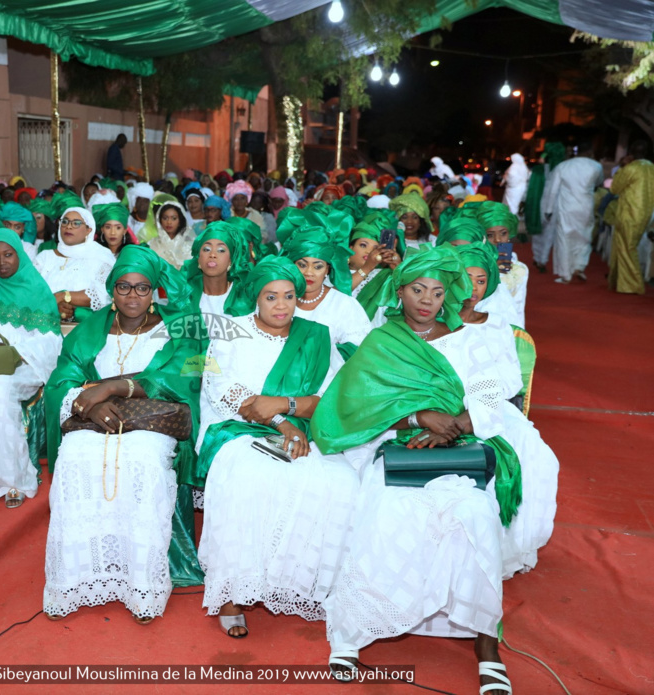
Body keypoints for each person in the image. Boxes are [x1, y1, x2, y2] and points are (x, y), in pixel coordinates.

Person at [311, 246, 518, 694]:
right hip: (395, 448)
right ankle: (353, 631)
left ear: (448, 295)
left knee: (475, 516)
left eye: (437, 291)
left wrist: (454, 426)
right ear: (400, 290)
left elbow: (489, 397)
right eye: (417, 289)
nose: (426, 300)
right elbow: (352, 407)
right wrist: (417, 418)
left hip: (457, 450)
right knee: (386, 513)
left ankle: (486, 644)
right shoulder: (382, 342)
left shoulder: (465, 338)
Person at [195, 257, 357, 638]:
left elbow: (332, 396)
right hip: (238, 429)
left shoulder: (316, 336)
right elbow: (224, 392)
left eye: (289, 296)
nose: (281, 305)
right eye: (271, 297)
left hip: (304, 428)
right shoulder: (230, 333)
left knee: (340, 481)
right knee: (250, 476)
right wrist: (279, 421)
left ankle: (301, 582)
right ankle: (233, 592)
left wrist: (287, 409)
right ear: (257, 298)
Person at [43, 245, 204, 622]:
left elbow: (184, 378)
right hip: (94, 420)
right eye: (123, 287)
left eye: (142, 288)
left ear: (154, 292)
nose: (133, 296)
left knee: (142, 460)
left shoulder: (177, 328)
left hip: (150, 422)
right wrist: (90, 404)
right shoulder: (90, 328)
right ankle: (79, 577)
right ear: (111, 291)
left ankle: (141, 583)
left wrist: (112, 388)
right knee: (74, 458)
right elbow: (61, 379)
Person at [456, 242, 559, 577]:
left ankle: (501, 546)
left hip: (491, 406)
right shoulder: (433, 320)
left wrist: (479, 395)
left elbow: (512, 379)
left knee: (535, 453)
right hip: (441, 405)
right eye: (465, 277)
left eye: (481, 280)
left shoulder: (498, 325)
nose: (472, 287)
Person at [0, 229, 62, 506]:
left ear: (19, 254)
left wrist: (15, 353)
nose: (1, 262)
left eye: (8, 255)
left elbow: (51, 341)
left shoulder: (37, 289)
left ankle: (14, 479)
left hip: (24, 363)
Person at [281, 226, 370, 354]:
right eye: (302, 265)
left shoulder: (343, 304)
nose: (309, 273)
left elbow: (358, 350)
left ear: (327, 270)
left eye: (318, 267)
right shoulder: (277, 299)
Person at [34, 207, 115, 322]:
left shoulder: (100, 257)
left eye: (76, 223)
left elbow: (103, 294)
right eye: (65, 221)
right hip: (43, 325)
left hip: (85, 329)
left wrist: (62, 296)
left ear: (89, 230)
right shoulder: (44, 257)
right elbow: (30, 291)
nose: (69, 226)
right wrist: (54, 306)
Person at [543, 146, 603, 284]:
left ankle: (565, 274)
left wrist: (548, 209)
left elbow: (553, 190)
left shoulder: (563, 166)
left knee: (564, 239)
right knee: (585, 237)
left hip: (567, 208)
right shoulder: (596, 166)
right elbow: (598, 183)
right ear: (590, 152)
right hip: (586, 206)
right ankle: (579, 266)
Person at [608, 140, 654, 294]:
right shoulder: (651, 167)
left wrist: (622, 167)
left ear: (631, 153)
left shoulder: (631, 168)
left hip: (629, 212)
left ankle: (633, 284)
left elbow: (614, 188)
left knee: (627, 247)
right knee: (625, 245)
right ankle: (618, 279)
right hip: (646, 213)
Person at [183, 220, 249, 318]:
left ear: (231, 260)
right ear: (199, 258)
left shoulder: (243, 296)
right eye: (206, 249)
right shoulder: (186, 295)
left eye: (221, 250)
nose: (212, 255)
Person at [477, 202, 528, 327]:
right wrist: (492, 269)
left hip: (507, 331)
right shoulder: (472, 266)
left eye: (503, 233)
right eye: (490, 235)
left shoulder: (519, 269)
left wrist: (519, 337)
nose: (498, 240)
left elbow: (518, 308)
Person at [531, 143, 566, 271]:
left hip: (538, 205)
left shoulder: (538, 171)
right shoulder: (562, 170)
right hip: (554, 206)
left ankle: (537, 257)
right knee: (549, 234)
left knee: (537, 232)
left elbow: (529, 188)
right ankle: (542, 259)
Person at [146, 201, 195, 268]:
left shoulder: (189, 246)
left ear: (180, 221)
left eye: (174, 218)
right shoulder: (152, 244)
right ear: (159, 220)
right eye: (165, 218)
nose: (169, 222)